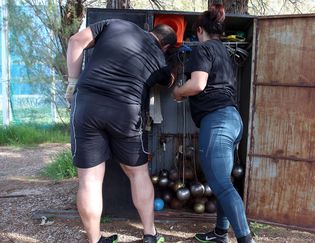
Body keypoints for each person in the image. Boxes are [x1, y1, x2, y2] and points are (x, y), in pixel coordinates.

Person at [66, 19, 177, 243]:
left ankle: (95, 240)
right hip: (126, 112)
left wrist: (72, 82)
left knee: (90, 180)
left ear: (151, 31)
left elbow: (76, 41)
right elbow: (170, 80)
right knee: (138, 174)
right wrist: (172, 63)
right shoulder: (158, 58)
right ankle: (149, 234)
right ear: (165, 46)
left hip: (88, 105)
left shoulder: (115, 24)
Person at [172, 4, 255, 243]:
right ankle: (220, 233)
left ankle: (245, 239)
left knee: (221, 184)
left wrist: (178, 92)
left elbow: (197, 84)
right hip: (232, 121)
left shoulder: (203, 48)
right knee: (223, 182)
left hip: (218, 121)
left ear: (199, 30)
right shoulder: (223, 52)